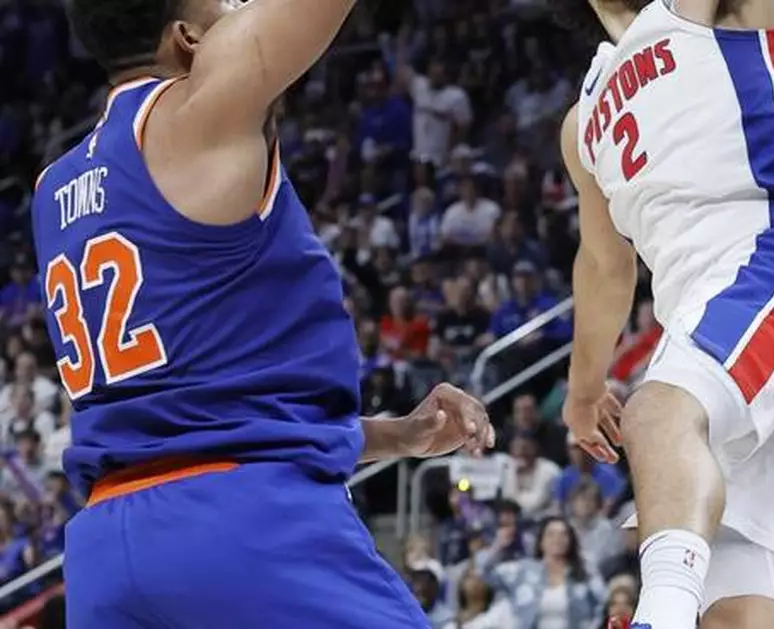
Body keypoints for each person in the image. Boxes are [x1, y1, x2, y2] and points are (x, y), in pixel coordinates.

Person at [30, 2, 494, 628]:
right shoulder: (196, 117)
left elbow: (193, 412)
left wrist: (396, 435)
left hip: (104, 552)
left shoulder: (51, 190)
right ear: (190, 39)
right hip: (240, 526)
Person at [556, 0, 774, 627]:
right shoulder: (581, 118)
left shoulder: (701, 10)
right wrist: (584, 390)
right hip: (713, 329)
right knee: (736, 607)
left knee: (658, 413)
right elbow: (604, 265)